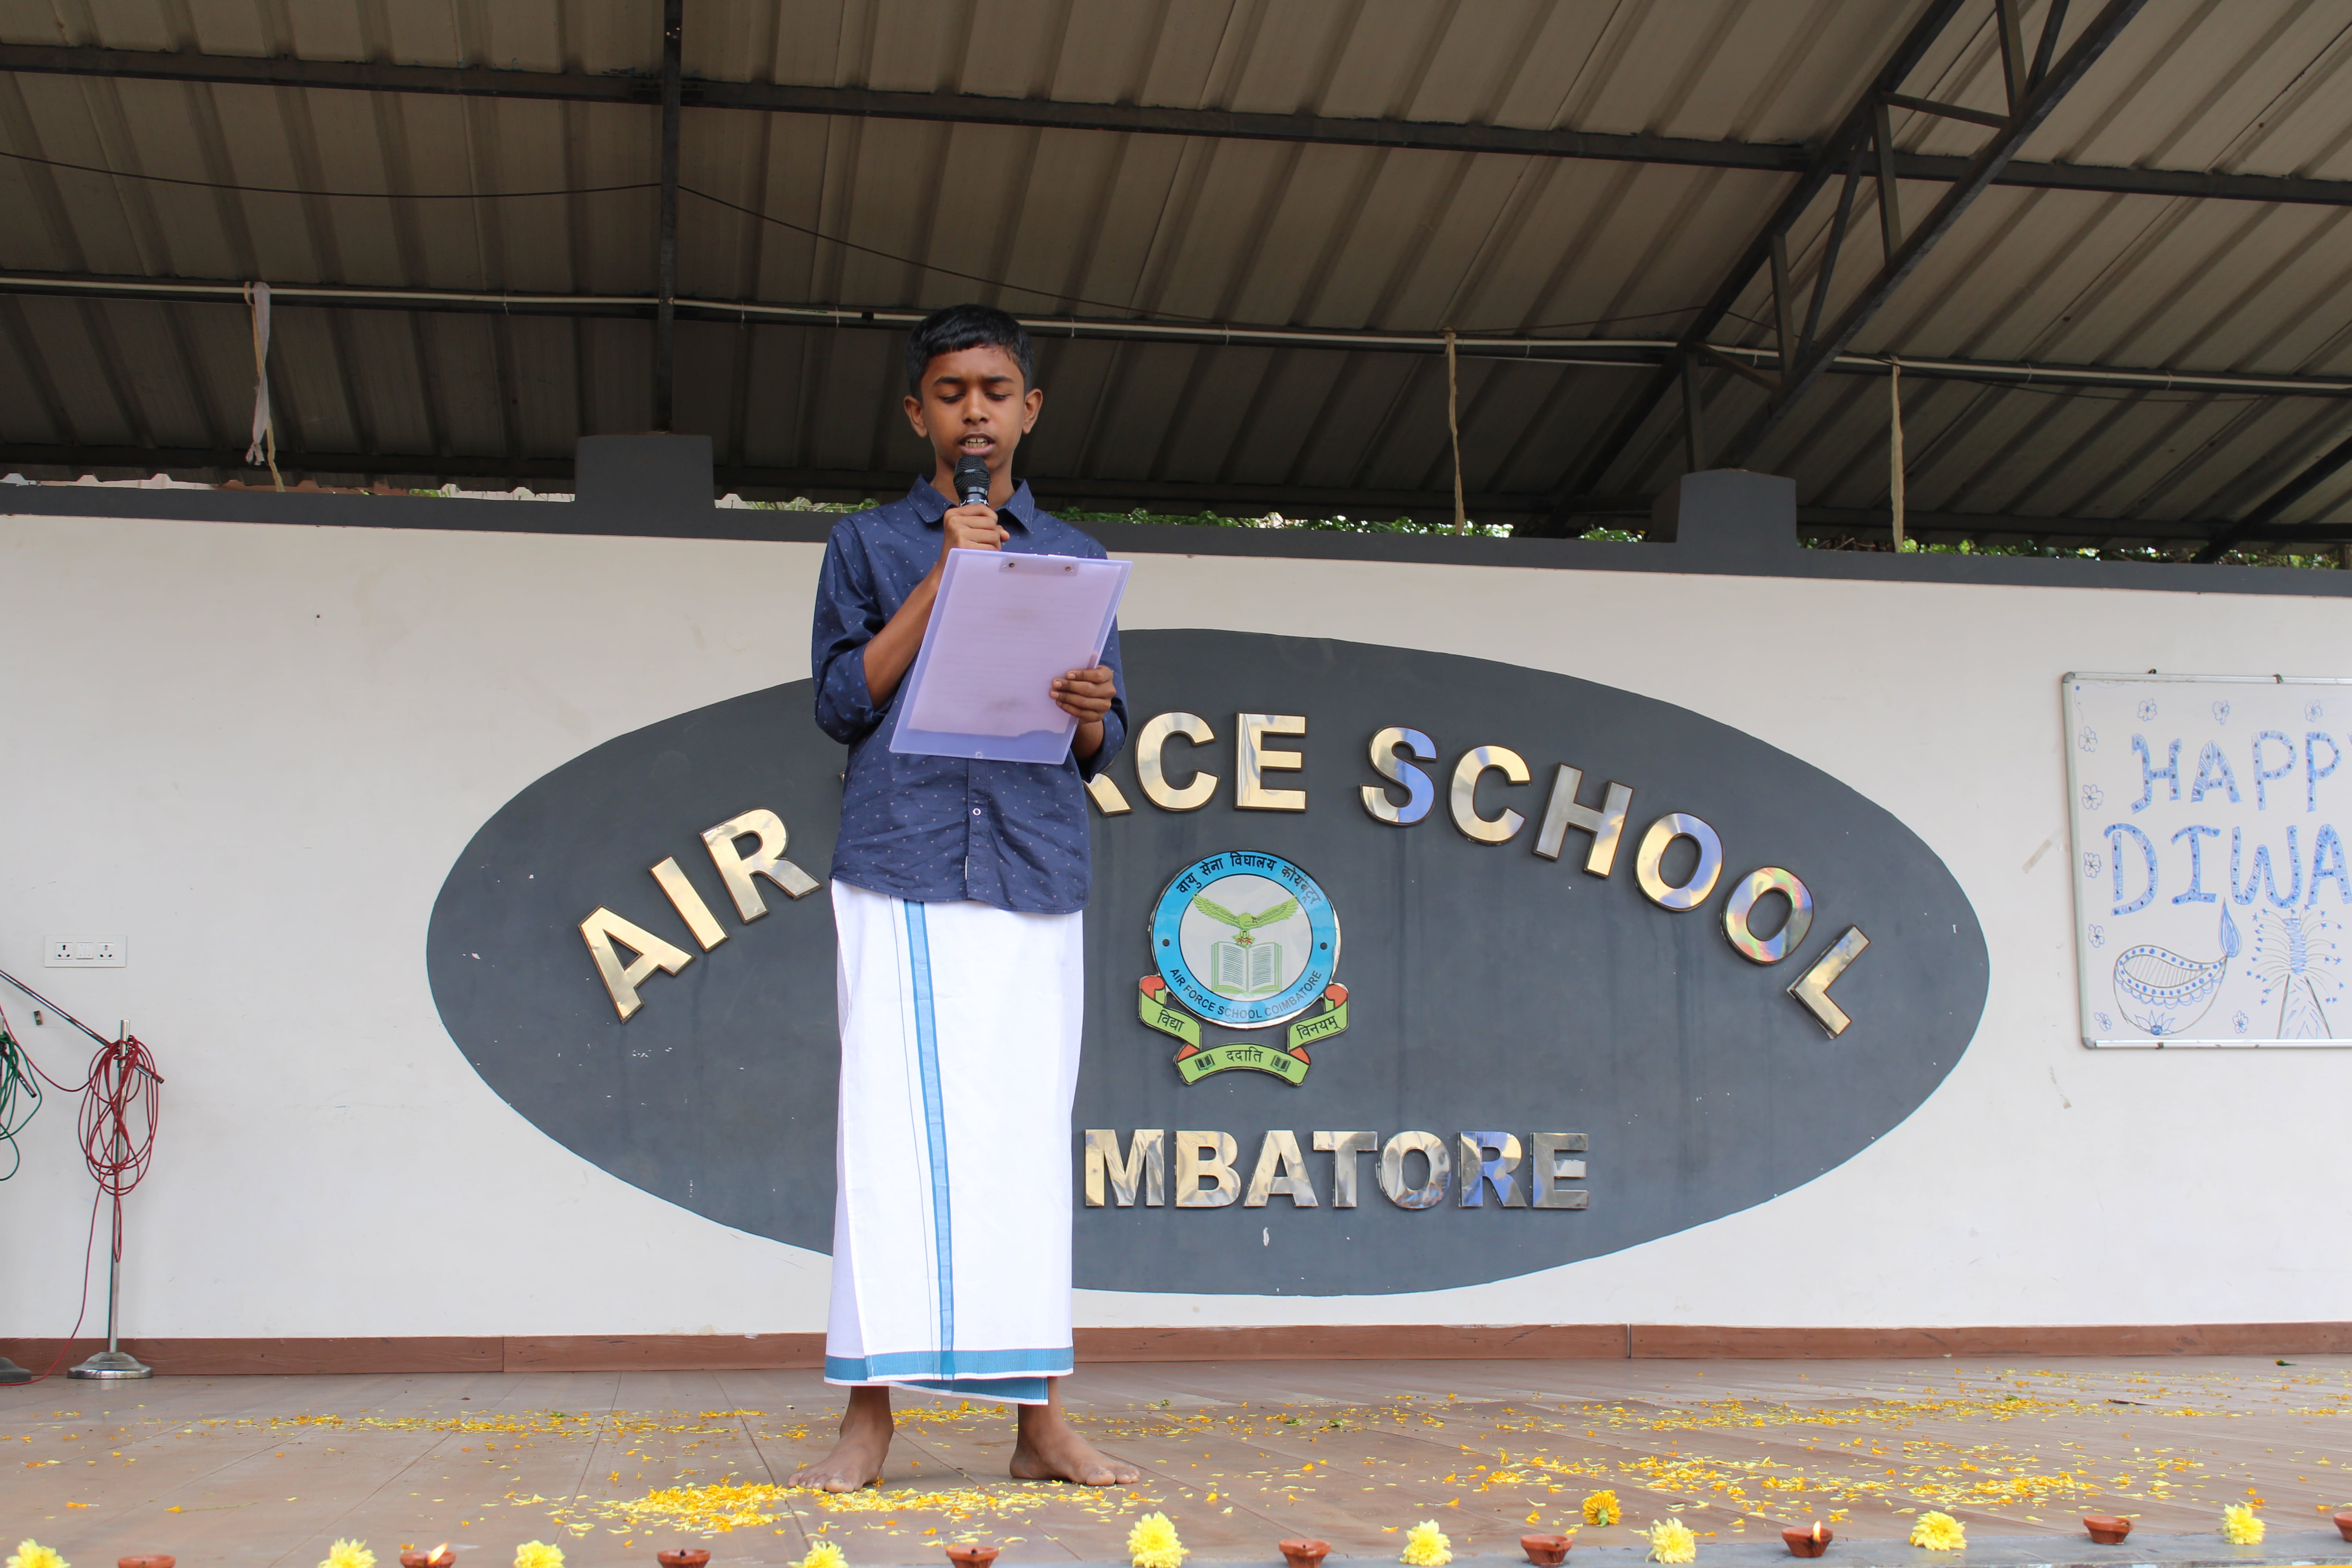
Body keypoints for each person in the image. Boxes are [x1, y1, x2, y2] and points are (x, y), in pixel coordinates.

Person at [792, 304, 1141, 1492]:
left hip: (1033, 871)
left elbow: (1098, 744)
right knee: (887, 1139)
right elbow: (841, 702)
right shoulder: (867, 544)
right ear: (918, 413)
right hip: (900, 862)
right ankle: (869, 1416)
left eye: (996, 392)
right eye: (951, 393)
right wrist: (944, 578)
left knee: (1026, 1147)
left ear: (1029, 409)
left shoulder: (1077, 557)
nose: (975, 413)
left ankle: (1039, 1424)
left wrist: (1090, 711)